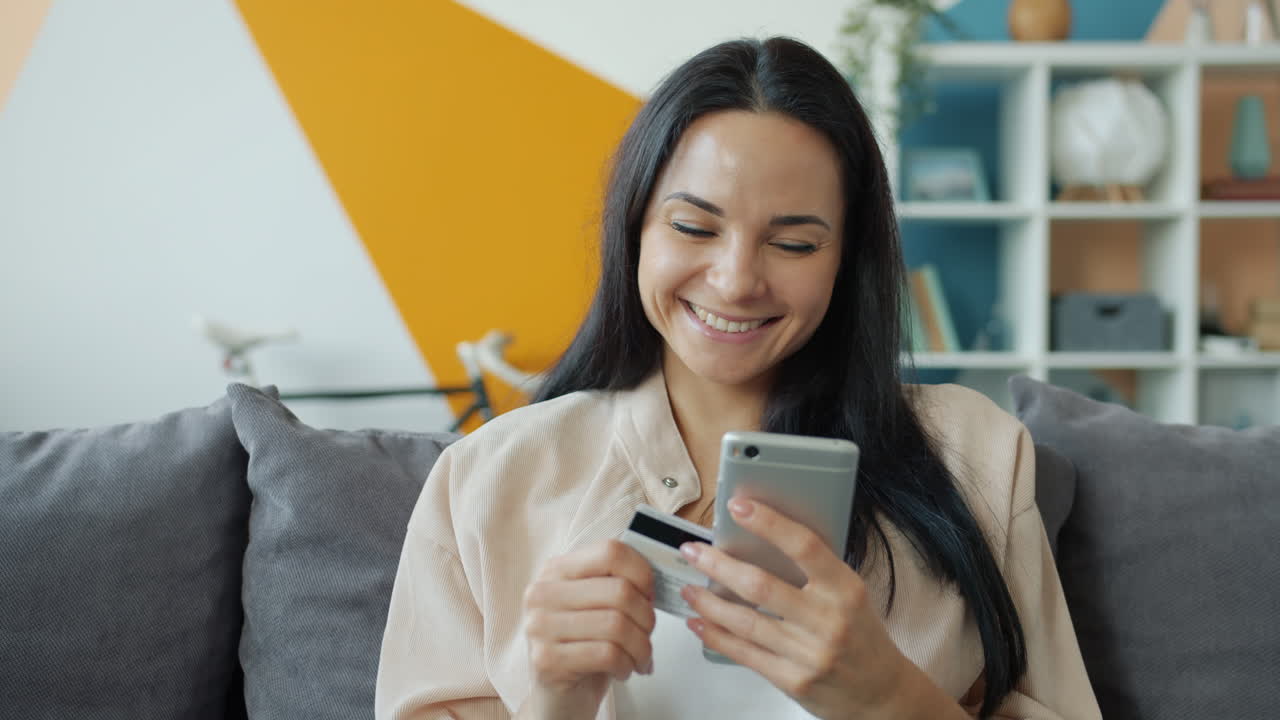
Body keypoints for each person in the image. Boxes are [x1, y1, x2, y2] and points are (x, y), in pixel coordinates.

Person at [375, 36, 1100, 720]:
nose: (735, 281)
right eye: (694, 228)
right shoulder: (489, 479)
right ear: (634, 230)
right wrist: (552, 700)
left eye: (794, 243)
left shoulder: (977, 456)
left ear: (847, 261)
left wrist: (889, 696)